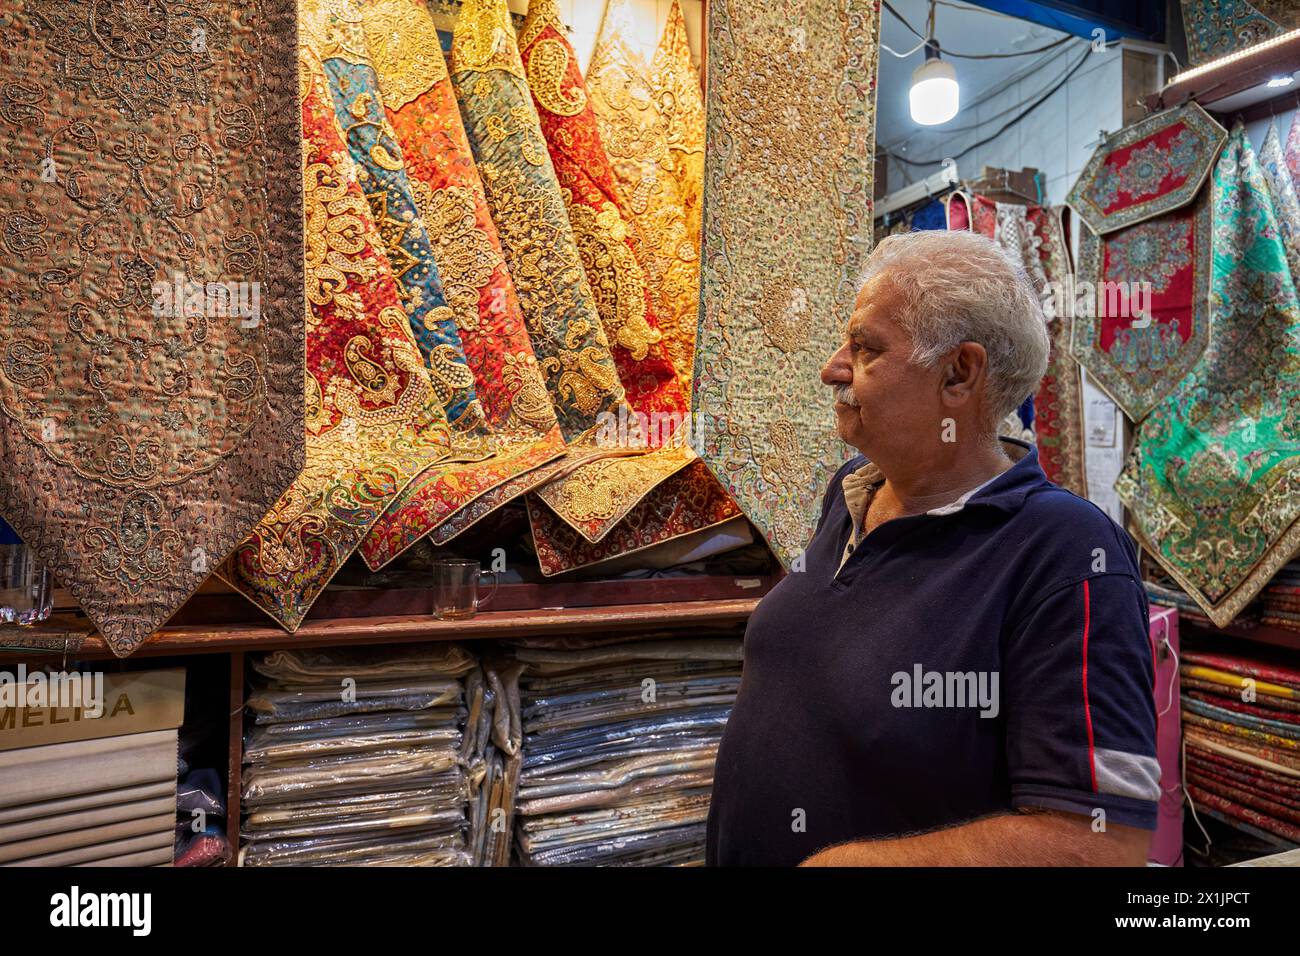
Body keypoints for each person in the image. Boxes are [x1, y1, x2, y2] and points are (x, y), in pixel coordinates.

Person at [705, 230, 1158, 866]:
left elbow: (1103, 844)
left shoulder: (1064, 552)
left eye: (865, 349)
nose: (833, 368)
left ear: (957, 375)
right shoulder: (851, 494)